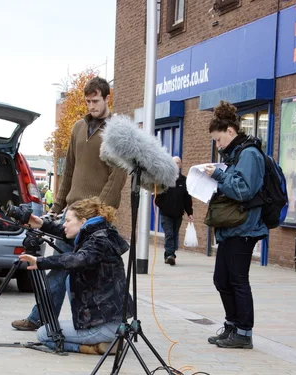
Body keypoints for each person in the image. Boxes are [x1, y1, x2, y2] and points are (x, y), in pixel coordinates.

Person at [11, 76, 127, 331]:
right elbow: (70, 170)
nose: (91, 105)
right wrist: (57, 206)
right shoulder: (77, 128)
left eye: (95, 100)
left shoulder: (117, 132)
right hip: (72, 214)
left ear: (107, 98)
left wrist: (101, 212)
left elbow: (118, 175)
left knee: (84, 271)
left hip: (95, 217)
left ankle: (100, 324)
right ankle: (39, 317)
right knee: (60, 267)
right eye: (87, 101)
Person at [19, 198, 131, 354]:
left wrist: (41, 261)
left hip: (102, 324)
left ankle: (91, 348)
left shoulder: (97, 242)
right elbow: (66, 233)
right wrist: (41, 224)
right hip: (111, 321)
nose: (64, 224)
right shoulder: (99, 234)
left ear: (83, 221)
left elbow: (80, 258)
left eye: (68, 220)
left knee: (45, 334)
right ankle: (106, 341)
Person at [204, 101, 268, 350]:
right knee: (222, 279)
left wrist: (218, 176)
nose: (218, 146)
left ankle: (244, 333)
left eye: (219, 140)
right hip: (232, 227)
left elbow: (244, 189)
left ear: (230, 131)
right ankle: (232, 325)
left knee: (238, 280)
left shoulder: (249, 154)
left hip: (245, 227)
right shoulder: (235, 155)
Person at [155, 156, 193, 265]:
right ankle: (170, 255)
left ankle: (169, 254)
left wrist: (189, 213)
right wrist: (163, 206)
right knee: (169, 234)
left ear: (180, 165)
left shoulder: (183, 180)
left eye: (178, 163)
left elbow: (187, 198)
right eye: (174, 163)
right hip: (166, 214)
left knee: (174, 234)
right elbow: (158, 196)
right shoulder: (165, 179)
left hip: (178, 214)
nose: (176, 165)